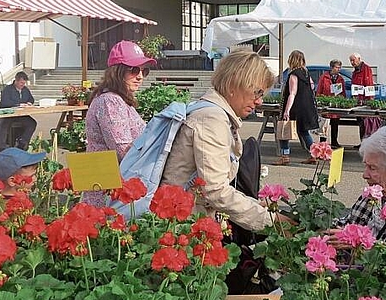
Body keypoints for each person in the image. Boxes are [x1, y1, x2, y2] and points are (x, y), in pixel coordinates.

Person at [161, 50, 294, 232]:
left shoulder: (211, 112)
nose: (259, 101)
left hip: (184, 217)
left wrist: (255, 204)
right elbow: (215, 191)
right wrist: (271, 221)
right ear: (233, 85)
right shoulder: (211, 119)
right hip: (181, 225)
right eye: (257, 92)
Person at [84, 40, 155, 205]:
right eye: (134, 70)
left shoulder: (116, 99)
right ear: (117, 72)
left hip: (112, 186)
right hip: (108, 192)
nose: (140, 76)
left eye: (145, 71)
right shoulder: (111, 101)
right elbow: (123, 150)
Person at [275, 50, 319, 166]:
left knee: (284, 130)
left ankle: (285, 156)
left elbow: (292, 93)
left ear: (292, 60)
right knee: (304, 132)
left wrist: (286, 111)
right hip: (306, 107)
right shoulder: (306, 73)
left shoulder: (293, 74)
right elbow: (312, 85)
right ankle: (313, 155)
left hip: (296, 107)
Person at [0, 147, 46, 220]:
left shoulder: (19, 199)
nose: (35, 179)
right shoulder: (1, 210)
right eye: (31, 176)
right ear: (12, 181)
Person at [0, 71, 36, 152]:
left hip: (21, 114)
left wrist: (29, 103)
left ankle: (22, 142)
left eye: (24, 83)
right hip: (9, 114)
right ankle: (1, 146)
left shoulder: (25, 89)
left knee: (32, 123)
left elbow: (31, 99)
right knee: (4, 124)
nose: (22, 85)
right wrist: (18, 104)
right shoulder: (8, 89)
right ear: (16, 81)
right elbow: (5, 102)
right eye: (21, 83)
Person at [316, 59, 346, 149]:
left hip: (335, 104)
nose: (339, 69)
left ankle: (334, 141)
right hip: (326, 104)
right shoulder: (324, 77)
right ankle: (322, 142)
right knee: (324, 124)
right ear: (332, 67)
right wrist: (319, 100)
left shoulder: (340, 78)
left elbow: (343, 91)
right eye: (337, 67)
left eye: (340, 67)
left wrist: (342, 100)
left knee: (335, 123)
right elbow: (319, 90)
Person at [349, 53, 375, 147]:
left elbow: (368, 84)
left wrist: (369, 100)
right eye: (351, 60)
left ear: (359, 59)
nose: (352, 62)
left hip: (364, 100)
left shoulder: (366, 69)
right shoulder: (355, 71)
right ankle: (362, 142)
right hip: (357, 101)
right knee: (360, 122)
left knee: (366, 123)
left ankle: (366, 143)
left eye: (353, 60)